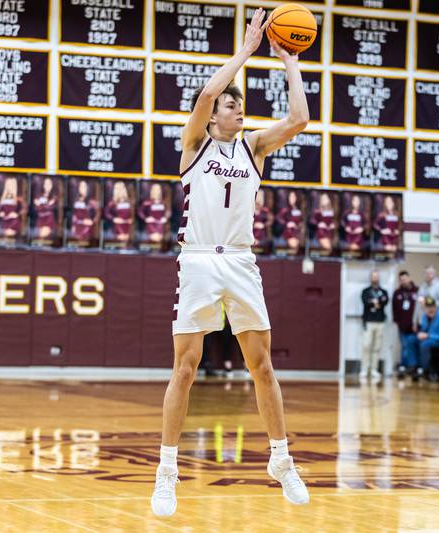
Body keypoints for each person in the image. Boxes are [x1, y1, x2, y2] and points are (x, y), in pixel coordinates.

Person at [151, 10, 310, 516]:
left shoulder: (255, 147)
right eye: (229, 104)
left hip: (241, 261)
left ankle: (282, 460)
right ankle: (167, 471)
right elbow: (202, 96)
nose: (237, 108)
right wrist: (244, 51)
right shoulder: (194, 145)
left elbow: (300, 120)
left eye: (240, 104)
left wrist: (290, 61)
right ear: (214, 114)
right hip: (197, 262)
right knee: (186, 368)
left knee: (261, 366)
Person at [408, 296, 439, 381]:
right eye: (428, 307)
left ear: (435, 307)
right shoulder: (425, 316)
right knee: (411, 339)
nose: (430, 309)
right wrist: (420, 334)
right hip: (428, 339)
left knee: (424, 344)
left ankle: (424, 369)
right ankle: (413, 366)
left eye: (432, 307)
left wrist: (428, 335)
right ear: (425, 308)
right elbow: (424, 329)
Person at [360, 270, 389, 380]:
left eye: (377, 276)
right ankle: (364, 369)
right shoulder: (365, 291)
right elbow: (365, 302)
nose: (375, 279)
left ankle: (374, 369)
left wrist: (375, 302)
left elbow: (385, 301)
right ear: (370, 278)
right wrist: (374, 302)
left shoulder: (384, 291)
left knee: (377, 346)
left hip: (380, 322)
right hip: (368, 321)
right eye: (373, 276)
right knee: (366, 345)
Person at [392, 271, 419, 378]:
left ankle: (413, 366)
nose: (403, 281)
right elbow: (394, 308)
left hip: (414, 325)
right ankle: (403, 366)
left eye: (405, 279)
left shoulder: (417, 291)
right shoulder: (397, 293)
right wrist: (397, 321)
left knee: (412, 345)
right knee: (404, 346)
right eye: (401, 280)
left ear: (409, 278)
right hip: (402, 325)